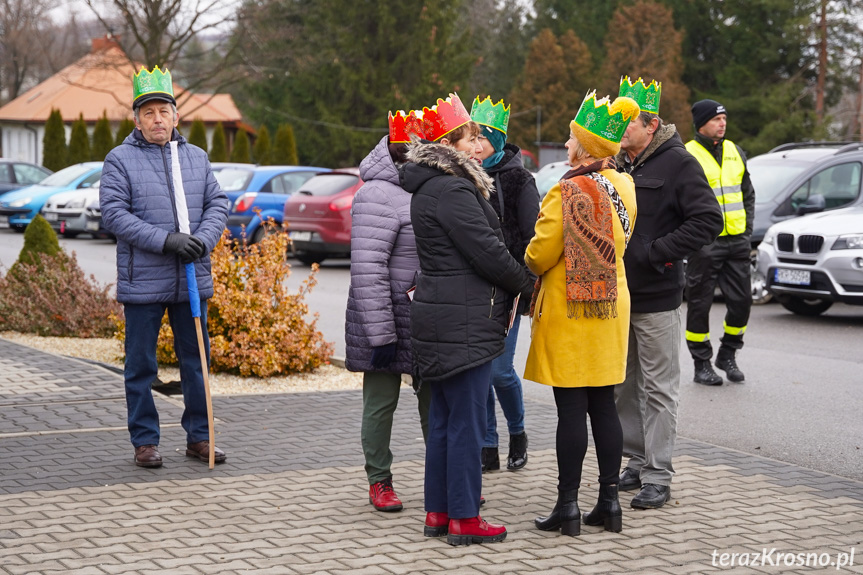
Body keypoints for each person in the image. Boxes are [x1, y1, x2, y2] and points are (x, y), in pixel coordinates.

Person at [400, 93, 534, 546]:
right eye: (471, 136)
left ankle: (438, 511)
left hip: (443, 314)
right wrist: (526, 282)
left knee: (444, 417)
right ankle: (463, 517)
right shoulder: (454, 189)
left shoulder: (430, 186)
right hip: (464, 318)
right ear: (451, 144)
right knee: (466, 423)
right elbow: (488, 253)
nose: (478, 143)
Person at [100, 66, 229, 468]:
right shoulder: (119, 160)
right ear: (136, 119)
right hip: (144, 282)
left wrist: (203, 241)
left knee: (197, 361)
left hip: (191, 279)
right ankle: (145, 440)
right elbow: (114, 214)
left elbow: (217, 204)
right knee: (141, 365)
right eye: (149, 112)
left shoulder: (196, 157)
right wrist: (166, 240)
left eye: (164, 111)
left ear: (176, 116)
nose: (157, 119)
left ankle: (200, 437)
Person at [528, 91, 640, 536]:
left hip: (571, 309)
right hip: (610, 305)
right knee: (605, 408)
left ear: (583, 145)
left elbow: (541, 253)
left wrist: (527, 257)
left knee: (571, 411)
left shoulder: (566, 188)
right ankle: (609, 503)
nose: (567, 143)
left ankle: (567, 506)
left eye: (571, 138)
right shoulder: (625, 185)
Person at [614, 77, 723, 509]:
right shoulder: (620, 164)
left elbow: (707, 220)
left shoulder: (678, 163)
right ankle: (635, 461)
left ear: (651, 123)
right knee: (624, 385)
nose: (619, 132)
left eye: (626, 124)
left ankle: (658, 475)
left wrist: (658, 252)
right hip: (621, 296)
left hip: (658, 296)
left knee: (659, 389)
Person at [345, 108, 430, 512]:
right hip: (385, 313)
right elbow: (367, 267)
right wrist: (381, 334)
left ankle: (445, 475)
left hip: (426, 311)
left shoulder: (427, 185)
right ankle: (379, 480)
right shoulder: (375, 193)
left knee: (435, 400)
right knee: (381, 403)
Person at [469, 96, 539, 473]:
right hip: (474, 288)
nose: (476, 145)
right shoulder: (463, 177)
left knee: (499, 371)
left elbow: (533, 236)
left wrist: (525, 282)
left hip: (509, 288)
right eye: (472, 137)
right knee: (479, 370)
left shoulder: (518, 180)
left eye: (483, 138)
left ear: (497, 141)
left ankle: (518, 431)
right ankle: (487, 444)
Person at [684, 100, 756, 385]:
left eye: (725, 118)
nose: (722, 123)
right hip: (704, 244)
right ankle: (701, 363)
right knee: (700, 305)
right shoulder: (687, 155)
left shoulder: (735, 151)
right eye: (716, 119)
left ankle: (727, 354)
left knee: (742, 302)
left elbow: (748, 193)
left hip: (737, 241)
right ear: (701, 123)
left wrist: (747, 230)